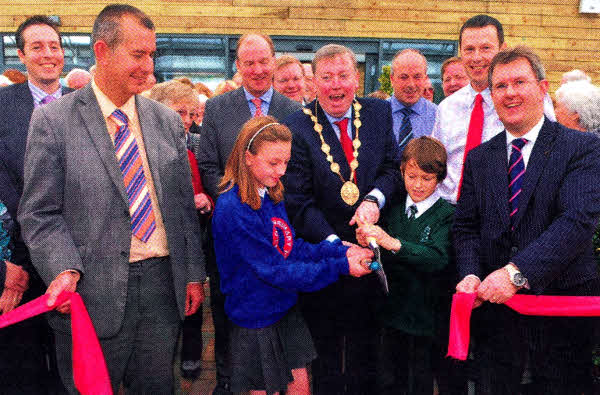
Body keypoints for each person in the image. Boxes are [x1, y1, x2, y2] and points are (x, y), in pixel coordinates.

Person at [18, 5, 206, 393]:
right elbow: (39, 213)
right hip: (88, 292)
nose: (148, 65)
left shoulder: (166, 121)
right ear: (102, 51)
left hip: (161, 290)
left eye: (152, 54)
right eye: (138, 54)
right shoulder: (54, 121)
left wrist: (191, 273)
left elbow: (182, 209)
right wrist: (62, 269)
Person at [454, 45, 600, 394]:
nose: (510, 93)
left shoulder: (582, 148)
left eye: (520, 82)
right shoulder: (479, 158)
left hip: (562, 310)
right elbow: (465, 228)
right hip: (497, 315)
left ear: (542, 87)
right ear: (491, 96)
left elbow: (577, 222)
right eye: (500, 86)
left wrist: (515, 273)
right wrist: (471, 273)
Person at [213, 116, 373, 395]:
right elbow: (275, 270)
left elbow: (290, 246)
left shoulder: (269, 193)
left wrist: (341, 249)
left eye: (285, 162)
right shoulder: (233, 207)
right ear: (248, 157)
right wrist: (340, 266)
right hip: (256, 317)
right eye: (273, 163)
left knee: (301, 387)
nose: (282, 170)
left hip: (283, 307)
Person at [283, 44, 401, 395]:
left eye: (344, 76)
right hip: (324, 254)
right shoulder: (295, 125)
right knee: (326, 348)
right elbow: (298, 202)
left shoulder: (379, 112)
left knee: (369, 345)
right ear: (313, 82)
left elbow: (391, 168)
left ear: (356, 77)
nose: (336, 86)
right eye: (327, 77)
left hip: (373, 247)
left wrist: (373, 201)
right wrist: (338, 249)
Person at [196, 32, 301, 395]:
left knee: (278, 304)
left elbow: (295, 171)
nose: (257, 69)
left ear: (274, 61)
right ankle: (227, 378)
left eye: (263, 61)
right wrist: (239, 200)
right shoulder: (218, 108)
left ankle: (276, 375)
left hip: (279, 229)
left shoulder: (294, 109)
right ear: (237, 66)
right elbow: (208, 163)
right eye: (248, 62)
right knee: (228, 307)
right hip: (233, 231)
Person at [0, 14, 72, 394]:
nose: (48, 54)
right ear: (21, 55)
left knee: (72, 366)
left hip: (76, 258)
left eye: (54, 46)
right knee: (21, 368)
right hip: (16, 263)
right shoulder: (2, 105)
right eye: (37, 47)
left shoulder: (86, 105)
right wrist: (7, 262)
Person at [356, 136, 454, 395]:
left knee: (419, 380)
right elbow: (381, 254)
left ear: (440, 178)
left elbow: (437, 257)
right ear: (401, 173)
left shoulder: (447, 214)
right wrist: (369, 241)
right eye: (412, 177)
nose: (418, 185)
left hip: (425, 320)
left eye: (427, 178)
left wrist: (392, 242)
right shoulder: (395, 210)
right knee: (389, 379)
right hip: (391, 314)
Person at [432, 14, 556, 204]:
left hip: (503, 212)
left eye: (486, 48)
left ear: (502, 49)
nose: (477, 57)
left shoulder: (527, 101)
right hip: (449, 212)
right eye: (469, 49)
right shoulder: (447, 107)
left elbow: (548, 158)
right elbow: (435, 164)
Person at [149, 79, 213, 384]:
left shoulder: (189, 154)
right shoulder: (139, 150)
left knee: (192, 306)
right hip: (154, 252)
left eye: (190, 114)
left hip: (188, 247)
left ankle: (191, 357)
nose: (186, 120)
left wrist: (205, 201)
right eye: (179, 112)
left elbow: (199, 193)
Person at [389, 49, 437, 153]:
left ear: (425, 79)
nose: (411, 84)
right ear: (392, 80)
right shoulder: (377, 114)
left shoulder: (438, 115)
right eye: (404, 77)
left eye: (417, 77)